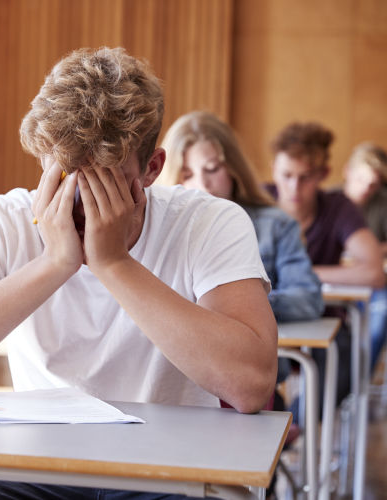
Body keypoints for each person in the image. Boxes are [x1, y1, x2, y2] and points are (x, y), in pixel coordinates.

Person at [0, 47, 277, 500]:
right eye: (65, 179)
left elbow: (251, 385)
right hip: (36, 469)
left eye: (104, 186)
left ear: (152, 170)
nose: (81, 207)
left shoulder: (211, 222)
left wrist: (115, 264)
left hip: (170, 472)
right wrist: (53, 263)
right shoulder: (1, 219)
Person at [157, 111, 323, 323]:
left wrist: (236, 305)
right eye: (187, 174)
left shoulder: (276, 225)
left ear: (234, 169)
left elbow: (308, 298)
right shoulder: (155, 227)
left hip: (248, 352)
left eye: (212, 169)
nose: (202, 185)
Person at [267, 122, 386, 410]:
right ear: (273, 169)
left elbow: (374, 272)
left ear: (324, 174)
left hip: (319, 317)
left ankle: (291, 428)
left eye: (305, 177)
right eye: (287, 175)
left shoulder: (338, 208)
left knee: (346, 360)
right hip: (264, 316)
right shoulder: (258, 203)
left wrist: (301, 275)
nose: (294, 187)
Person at [342, 142, 387, 371]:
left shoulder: (382, 203)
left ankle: (355, 382)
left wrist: (369, 251)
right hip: (335, 281)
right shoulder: (330, 202)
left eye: (373, 184)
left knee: (382, 311)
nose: (365, 189)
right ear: (347, 171)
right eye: (361, 180)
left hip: (369, 282)